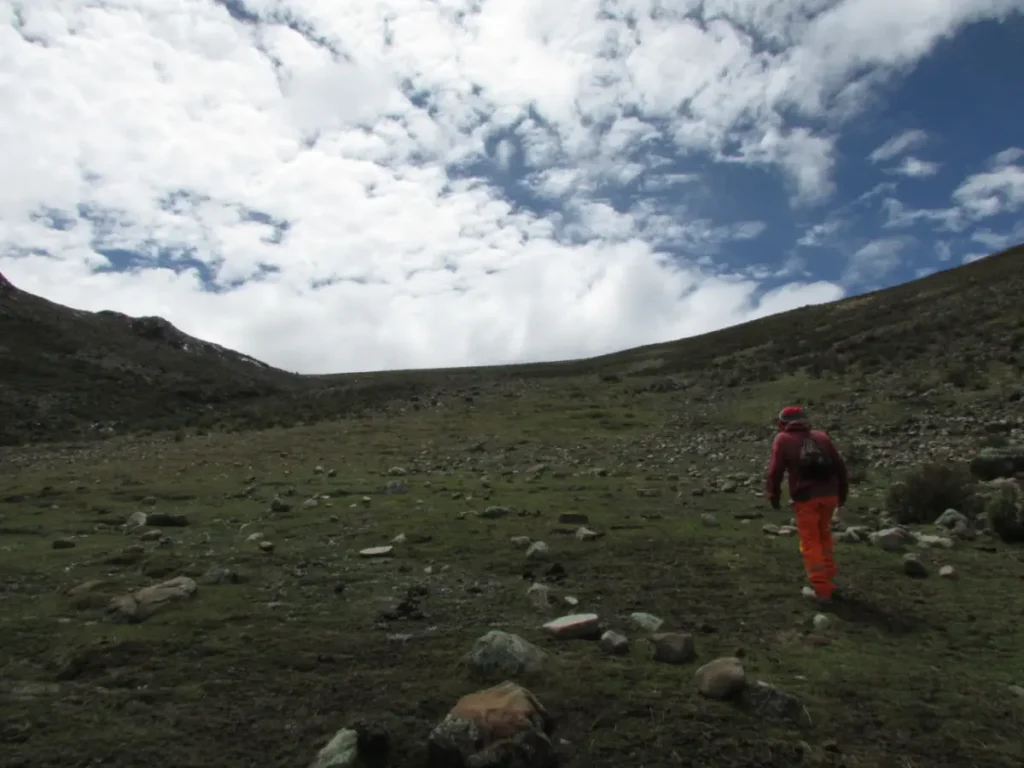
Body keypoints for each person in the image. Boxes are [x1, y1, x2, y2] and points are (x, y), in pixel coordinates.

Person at [765, 406, 849, 603]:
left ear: (782, 423)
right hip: (830, 496)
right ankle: (828, 581)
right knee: (824, 538)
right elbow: (840, 467)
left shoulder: (783, 439)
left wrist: (774, 496)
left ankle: (821, 591)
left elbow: (775, 471)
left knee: (810, 542)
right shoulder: (821, 437)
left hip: (806, 498)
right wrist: (842, 497)